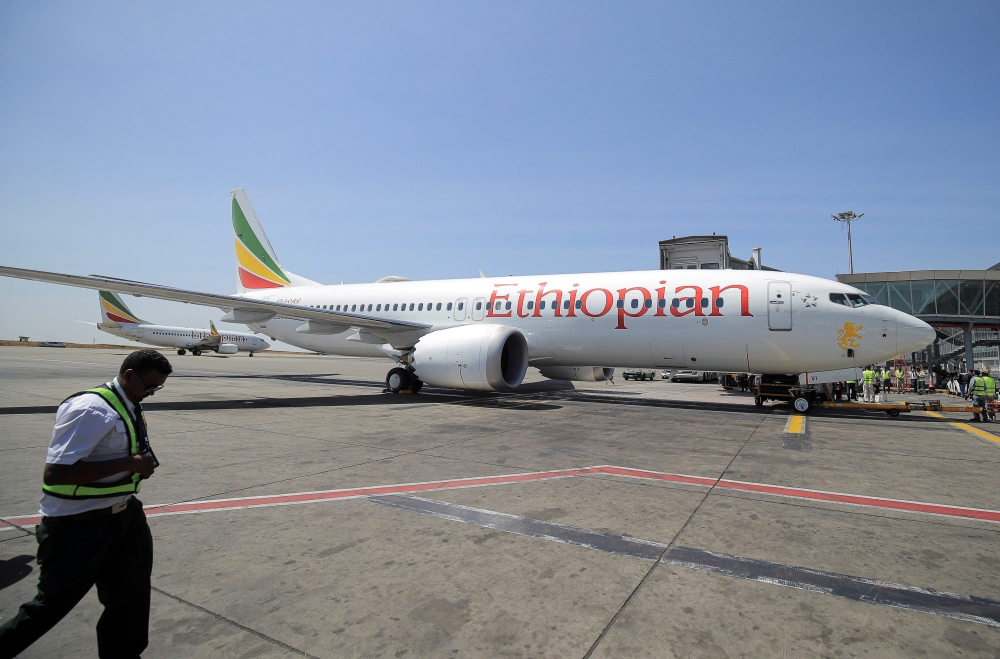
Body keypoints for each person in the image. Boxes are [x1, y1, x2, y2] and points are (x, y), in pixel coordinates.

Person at [0, 350, 172, 659]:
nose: (152, 393)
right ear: (129, 375)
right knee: (51, 606)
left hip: (124, 515)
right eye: (149, 386)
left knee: (129, 599)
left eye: (157, 388)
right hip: (78, 525)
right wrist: (130, 463)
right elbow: (56, 474)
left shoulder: (128, 402)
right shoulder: (91, 409)